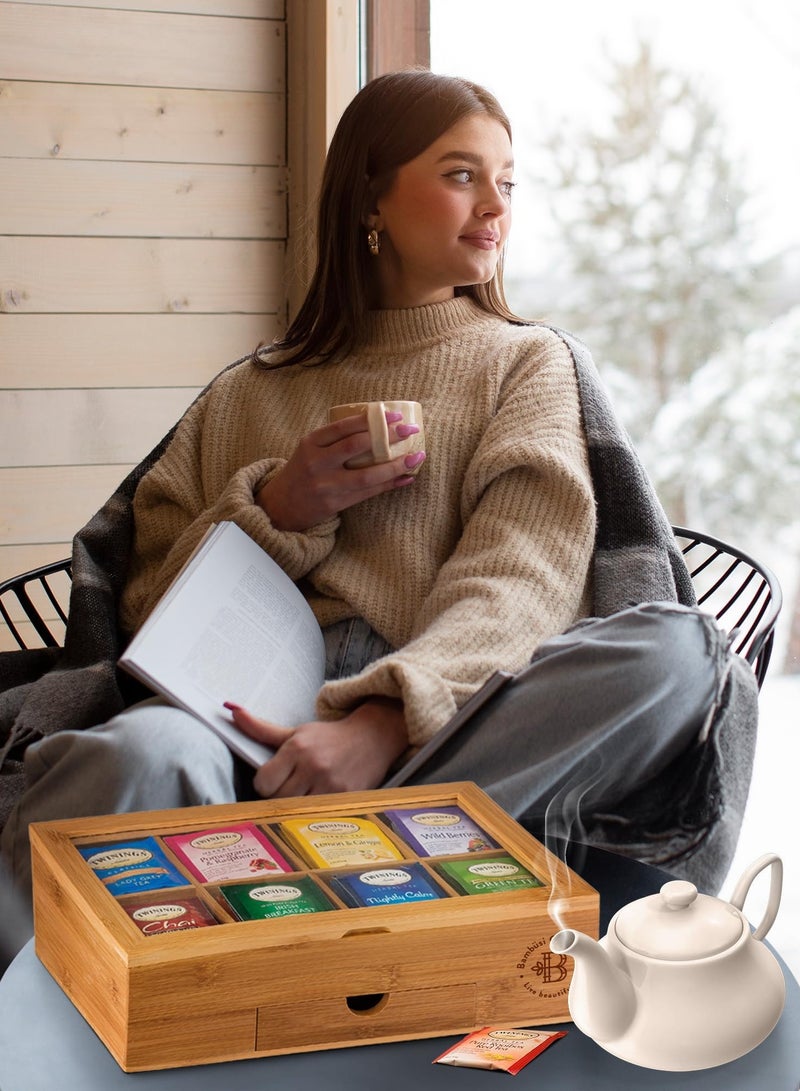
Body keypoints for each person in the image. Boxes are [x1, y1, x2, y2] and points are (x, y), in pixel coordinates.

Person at [1, 70, 746, 900]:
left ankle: (335, 863)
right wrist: (279, 509)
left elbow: (522, 576)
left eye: (507, 182)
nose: (495, 207)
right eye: (461, 175)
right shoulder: (245, 392)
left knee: (680, 653)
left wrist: (383, 720)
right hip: (243, 747)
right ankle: (102, 993)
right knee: (131, 754)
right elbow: (147, 617)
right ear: (371, 201)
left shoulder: (528, 363)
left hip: (441, 741)